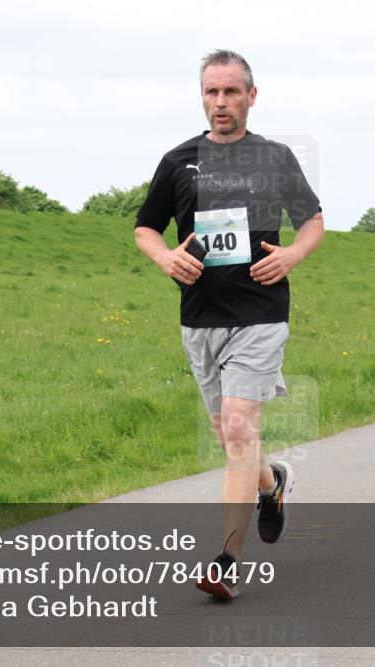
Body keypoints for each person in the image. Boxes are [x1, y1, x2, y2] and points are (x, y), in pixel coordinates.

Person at [134, 50, 324, 599]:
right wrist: (165, 256)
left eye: (231, 92)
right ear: (203, 97)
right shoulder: (179, 161)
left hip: (261, 310)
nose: (221, 103)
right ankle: (272, 484)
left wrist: (292, 255)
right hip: (200, 316)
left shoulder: (275, 156)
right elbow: (146, 228)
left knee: (240, 428)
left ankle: (227, 560)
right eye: (212, 93)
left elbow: (311, 220)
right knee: (230, 435)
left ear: (251, 96)